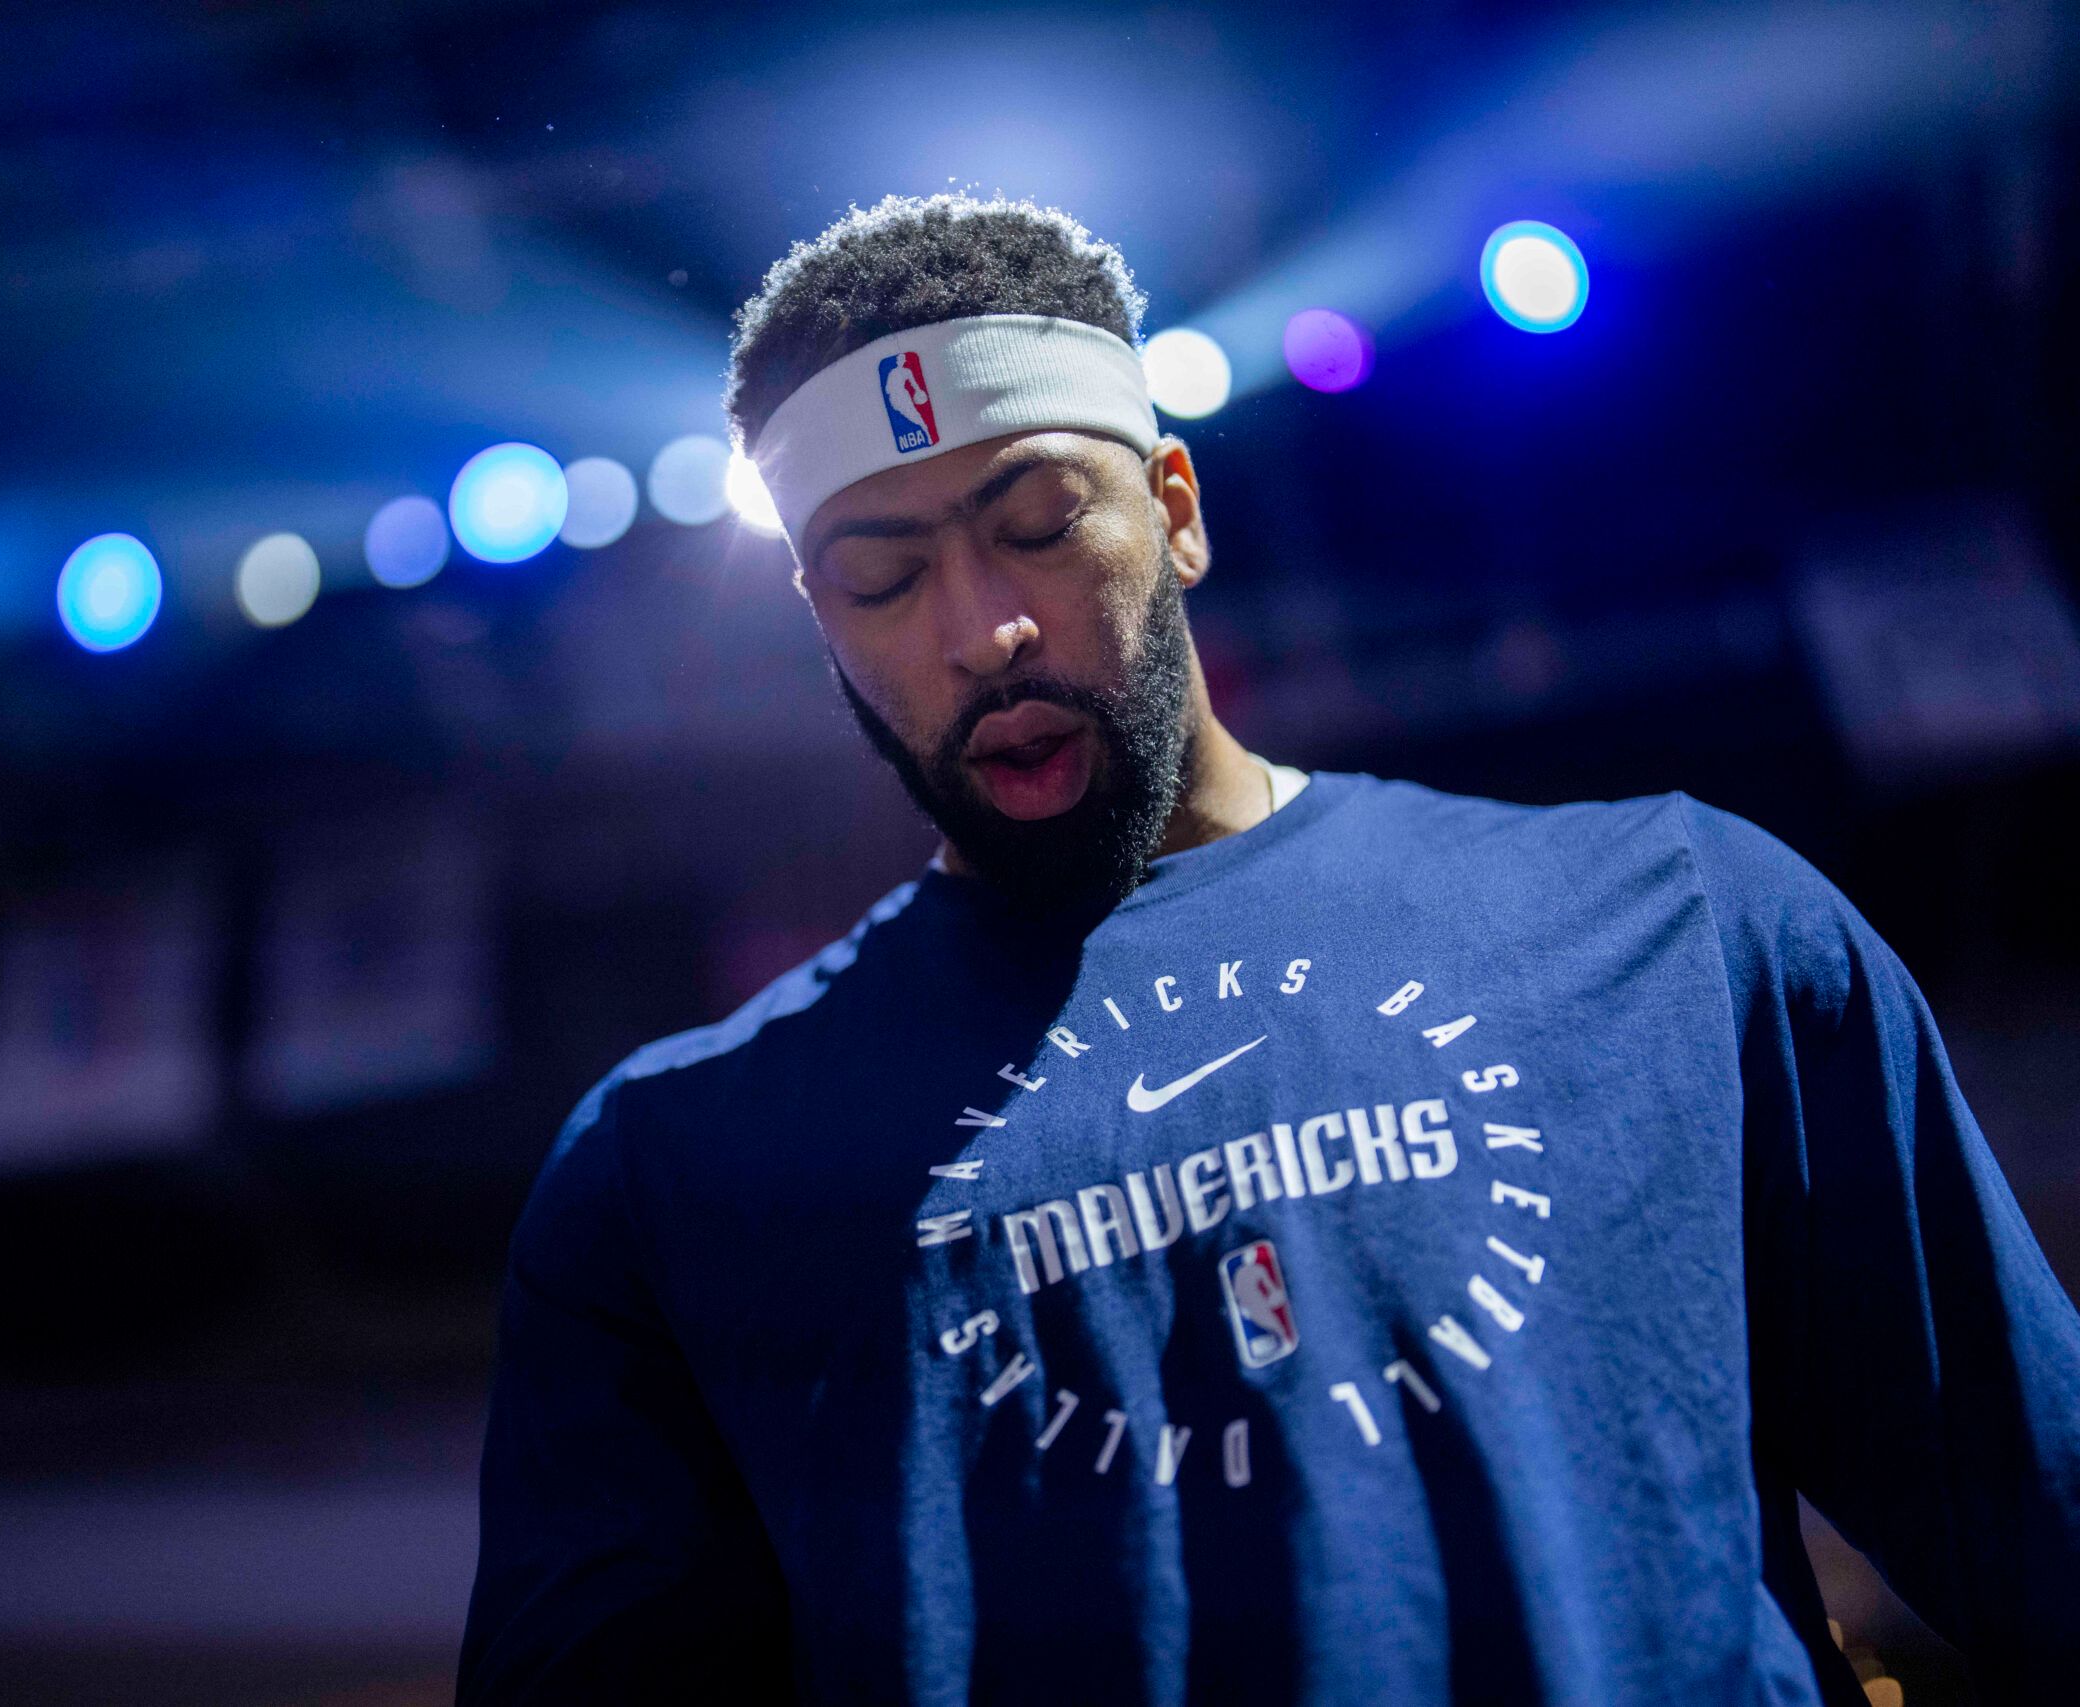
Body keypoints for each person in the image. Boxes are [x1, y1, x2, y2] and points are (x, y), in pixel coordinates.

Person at [457, 195, 2080, 1705]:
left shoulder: (1680, 921)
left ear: (1175, 510)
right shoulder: (674, 1175)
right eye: (881, 581)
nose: (979, 629)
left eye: (1035, 523)